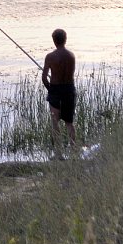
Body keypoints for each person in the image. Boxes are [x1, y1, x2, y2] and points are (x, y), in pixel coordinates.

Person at [41, 28, 76, 157]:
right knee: (69, 122)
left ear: (54, 41)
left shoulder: (50, 57)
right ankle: (74, 152)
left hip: (55, 90)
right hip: (69, 89)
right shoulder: (71, 56)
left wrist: (50, 90)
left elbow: (44, 78)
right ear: (65, 40)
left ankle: (58, 153)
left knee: (55, 122)